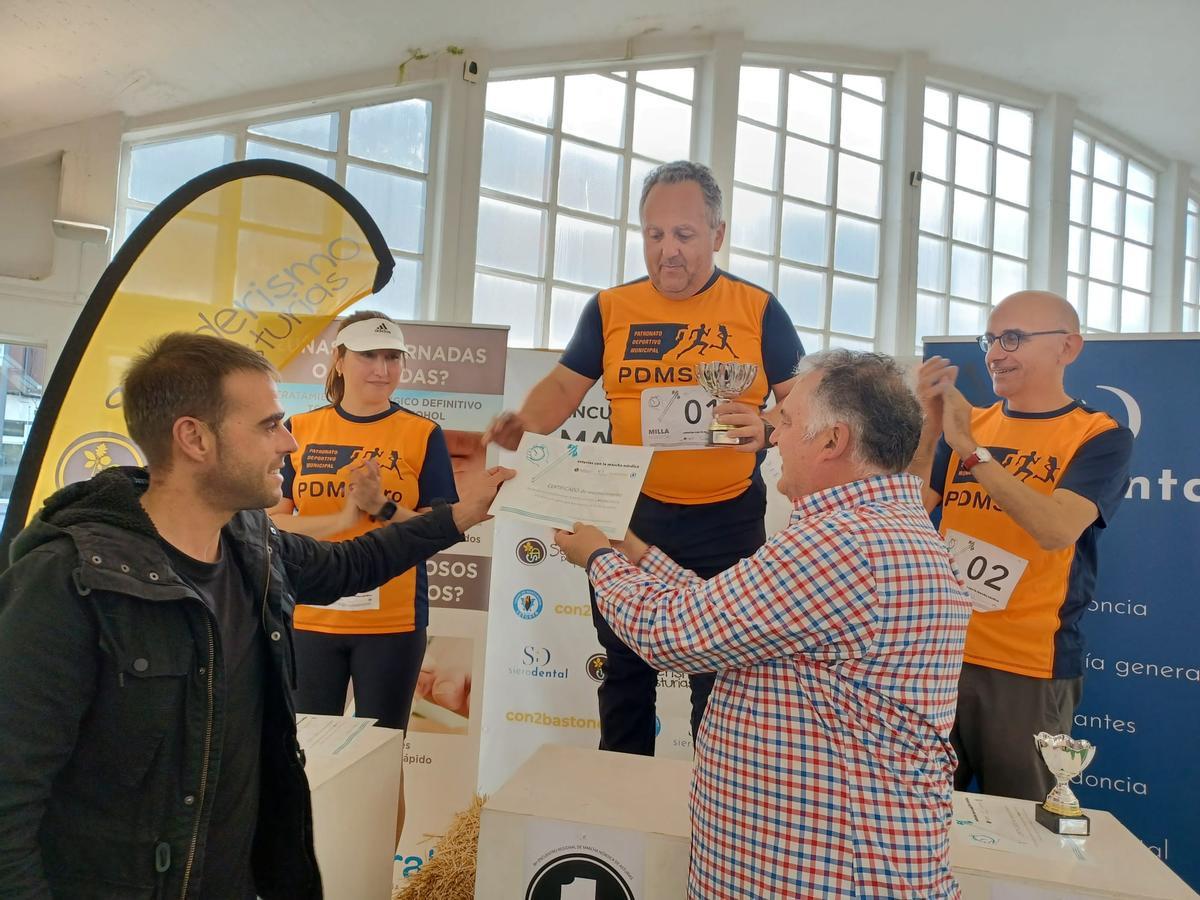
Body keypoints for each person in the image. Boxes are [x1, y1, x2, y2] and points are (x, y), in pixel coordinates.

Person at [0, 332, 510, 899]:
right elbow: (9, 803)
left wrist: (460, 514)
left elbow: (350, 564)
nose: (289, 443)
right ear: (194, 438)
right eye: (269, 426)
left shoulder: (252, 547)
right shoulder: (66, 581)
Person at [555, 350, 971, 899]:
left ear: (833, 440)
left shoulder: (842, 544)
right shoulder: (872, 530)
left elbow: (670, 634)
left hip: (824, 874)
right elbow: (724, 612)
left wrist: (598, 560)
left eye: (787, 422)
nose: (773, 437)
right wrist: (633, 551)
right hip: (823, 863)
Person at [483, 160, 804, 755]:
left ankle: (716, 797)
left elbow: (802, 406)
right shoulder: (611, 308)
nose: (668, 250)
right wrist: (525, 423)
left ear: (717, 235)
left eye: (684, 234)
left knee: (722, 678)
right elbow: (564, 385)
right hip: (631, 515)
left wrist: (765, 427)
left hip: (727, 521)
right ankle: (617, 795)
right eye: (655, 234)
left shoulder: (759, 310)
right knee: (625, 669)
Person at [911, 290, 1133, 801]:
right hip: (939, 653)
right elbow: (909, 510)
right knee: (916, 814)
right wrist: (929, 428)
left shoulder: (1098, 435)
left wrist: (971, 452)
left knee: (1022, 826)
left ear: (1067, 348)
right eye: (990, 339)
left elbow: (1055, 528)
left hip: (1027, 669)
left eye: (1013, 338)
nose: (995, 354)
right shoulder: (970, 425)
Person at [270, 311, 456, 736]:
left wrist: (382, 508)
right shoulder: (299, 429)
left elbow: (437, 531)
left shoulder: (423, 433)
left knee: (383, 752)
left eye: (392, 357)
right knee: (307, 751)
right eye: (367, 355)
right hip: (310, 616)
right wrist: (341, 520)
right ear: (339, 360)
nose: (381, 369)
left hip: (391, 621)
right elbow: (272, 524)